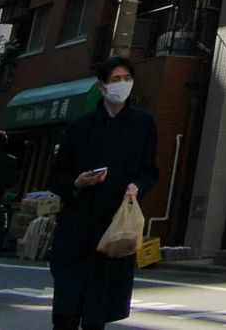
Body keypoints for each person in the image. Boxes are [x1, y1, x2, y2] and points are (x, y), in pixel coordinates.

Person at [47, 57, 159, 330]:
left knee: (98, 310)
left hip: (114, 228)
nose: (123, 85)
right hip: (77, 226)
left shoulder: (143, 124)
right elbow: (55, 177)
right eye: (116, 80)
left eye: (127, 79)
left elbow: (150, 171)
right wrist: (78, 182)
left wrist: (137, 187)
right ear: (102, 85)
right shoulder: (80, 127)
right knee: (67, 305)